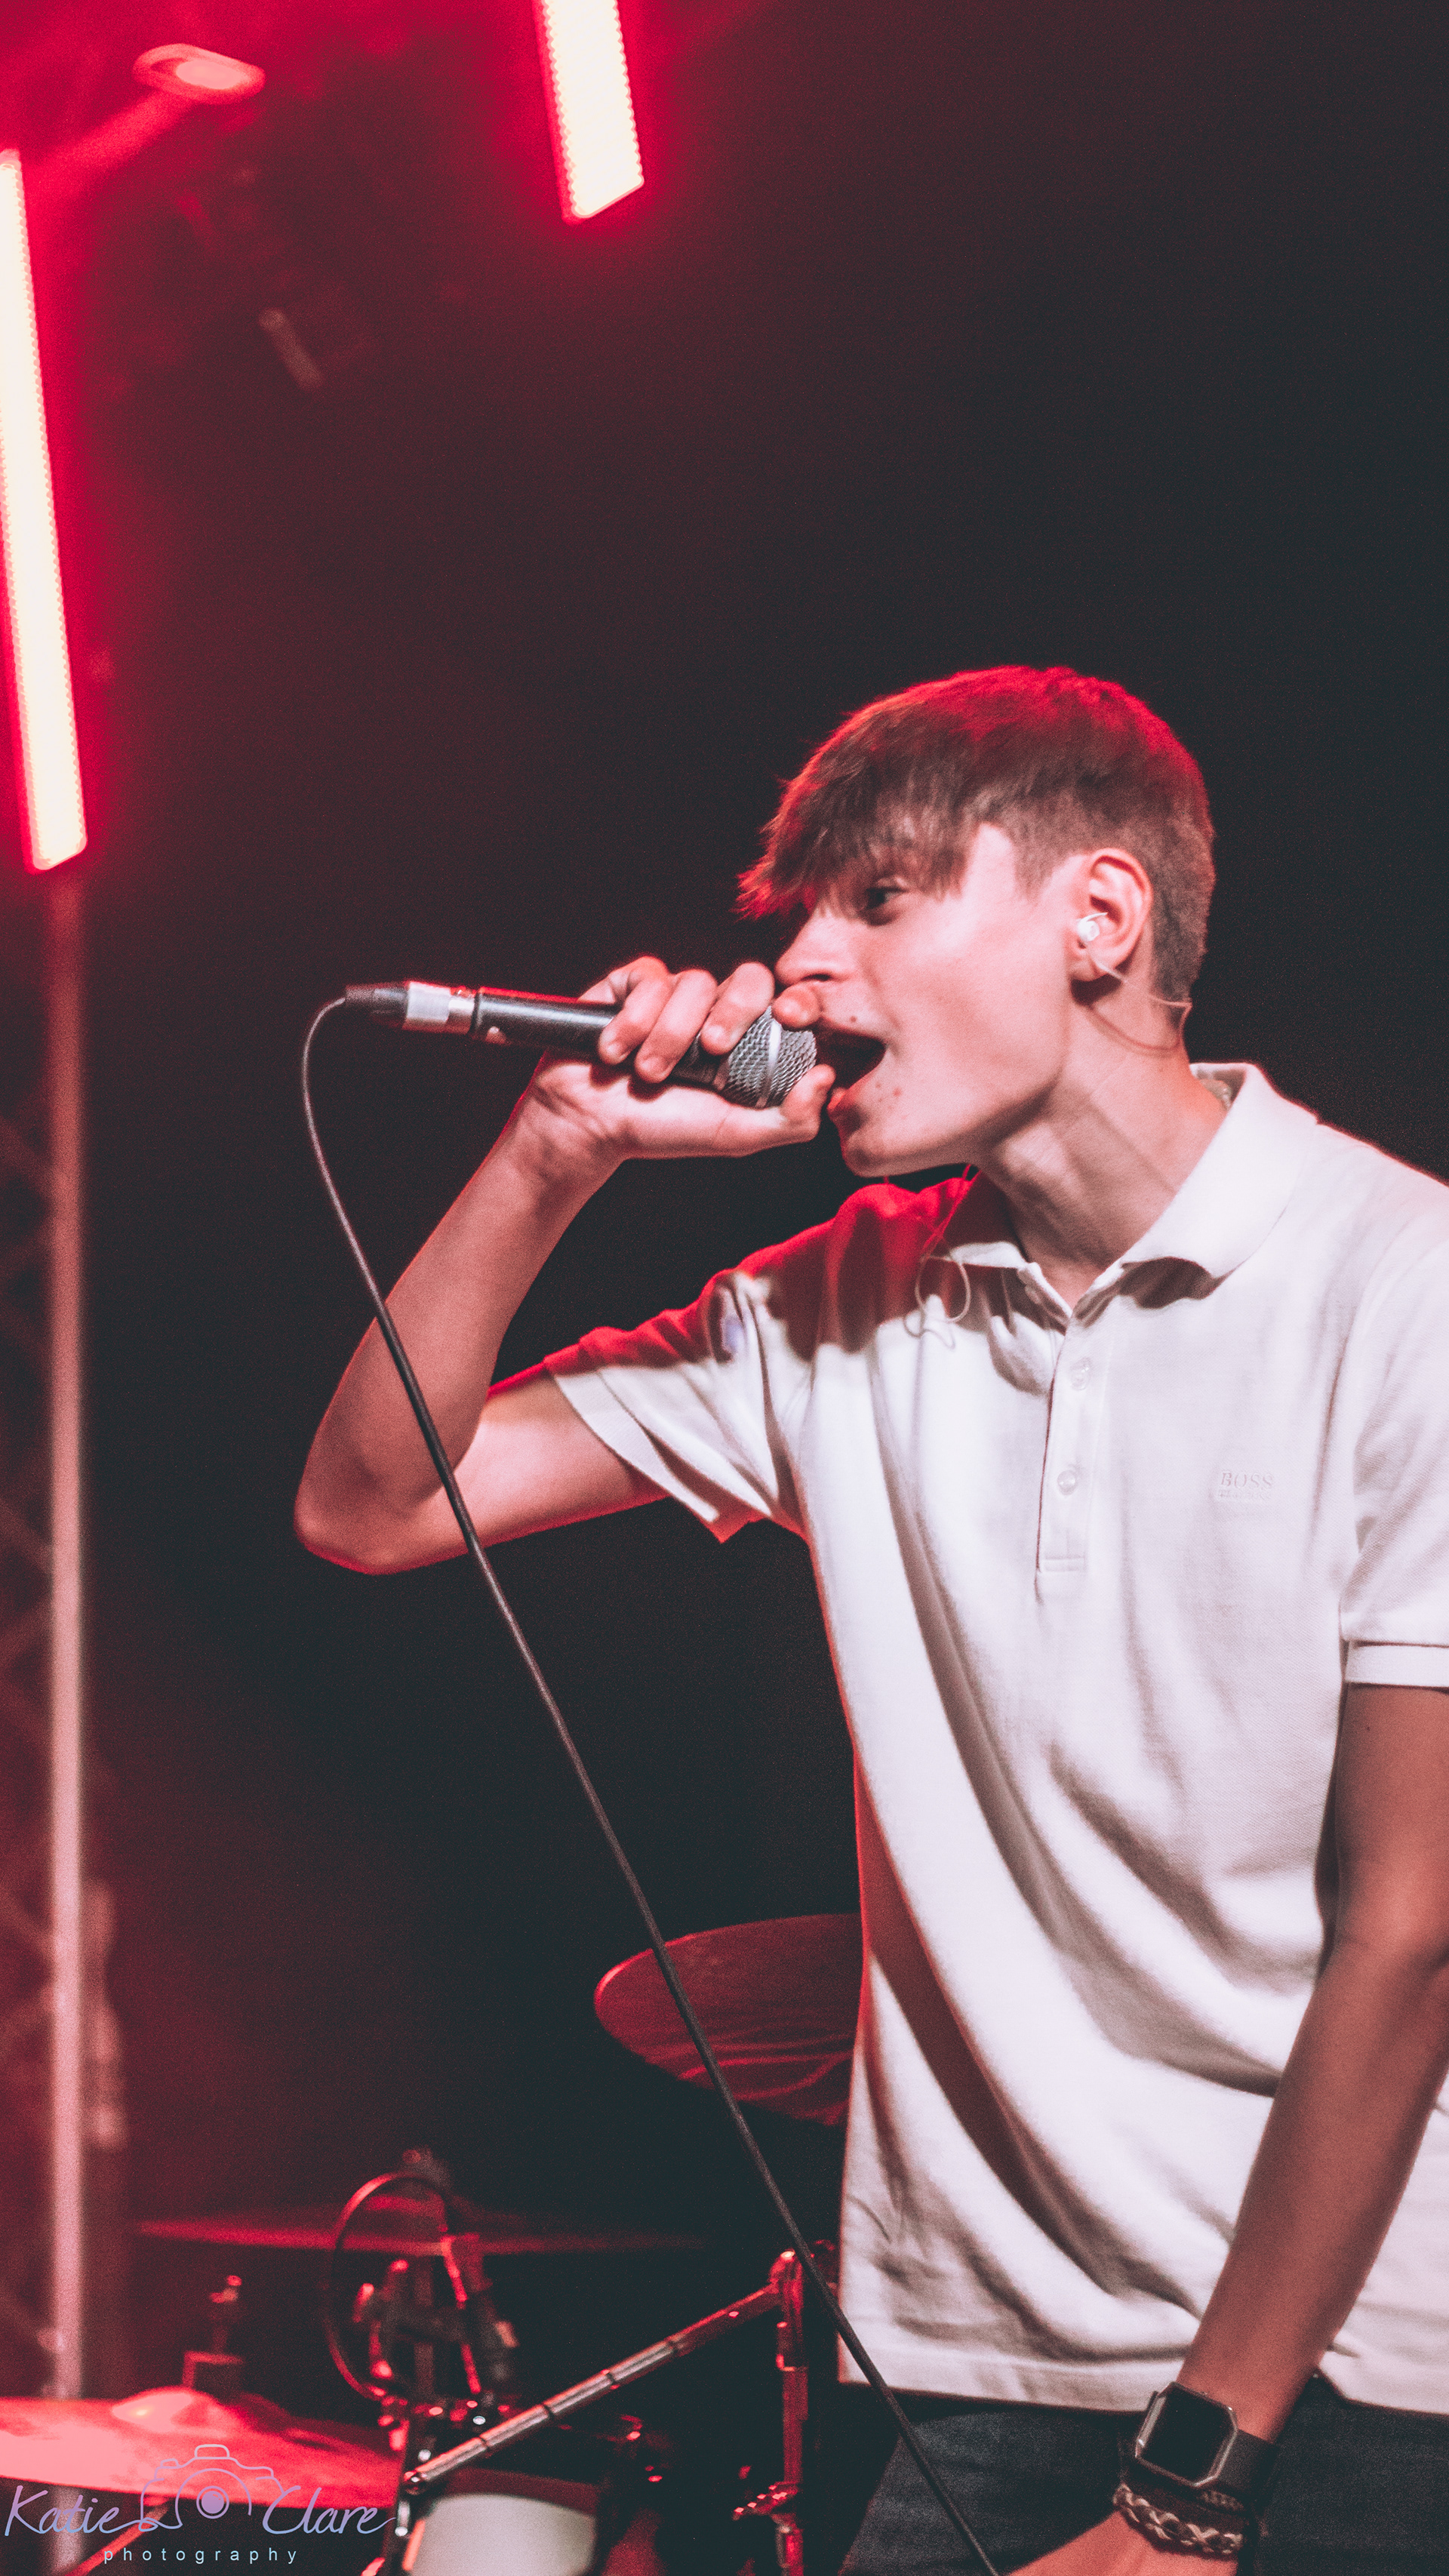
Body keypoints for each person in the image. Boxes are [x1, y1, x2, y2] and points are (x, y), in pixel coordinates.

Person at [296, 667, 1449, 2574]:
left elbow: (1413, 1926)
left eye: (883, 901)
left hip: (1344, 2391)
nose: (802, 970)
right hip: (965, 2381)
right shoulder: (841, 1304)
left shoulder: (1402, 1292)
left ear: (1099, 917)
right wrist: (552, 1152)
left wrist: (1190, 2490)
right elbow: (373, 1503)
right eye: (802, 917)